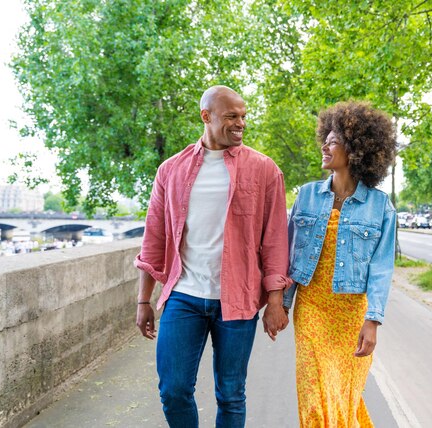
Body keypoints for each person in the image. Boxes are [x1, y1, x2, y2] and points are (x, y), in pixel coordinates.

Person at [134, 85, 291, 428]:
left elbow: (276, 240)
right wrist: (143, 300)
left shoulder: (265, 170)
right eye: (231, 117)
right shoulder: (170, 170)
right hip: (184, 296)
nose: (241, 124)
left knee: (231, 393)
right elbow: (154, 237)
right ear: (206, 116)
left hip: (238, 300)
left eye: (244, 116)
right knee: (173, 390)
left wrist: (276, 299)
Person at [283, 101, 397, 427]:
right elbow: (287, 256)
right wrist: (280, 304)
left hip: (351, 316)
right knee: (315, 403)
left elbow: (381, 269)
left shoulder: (380, 207)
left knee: (342, 398)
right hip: (312, 310)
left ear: (356, 149)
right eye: (326, 139)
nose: (325, 145)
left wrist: (373, 320)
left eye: (333, 141)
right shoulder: (305, 196)